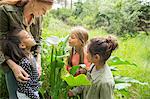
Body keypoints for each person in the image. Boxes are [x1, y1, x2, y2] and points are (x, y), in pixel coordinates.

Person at [0, 0, 53, 98]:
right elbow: (1, 43)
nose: (44, 13)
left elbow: (38, 40)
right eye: (43, 9)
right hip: (12, 63)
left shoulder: (38, 17)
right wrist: (14, 67)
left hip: (30, 64)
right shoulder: (5, 12)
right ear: (33, 2)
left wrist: (38, 62)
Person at [2, 28, 40, 99]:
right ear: (22, 45)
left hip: (32, 92)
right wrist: (35, 97)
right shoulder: (25, 63)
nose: (32, 36)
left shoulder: (30, 56)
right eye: (28, 37)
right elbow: (24, 88)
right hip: (27, 95)